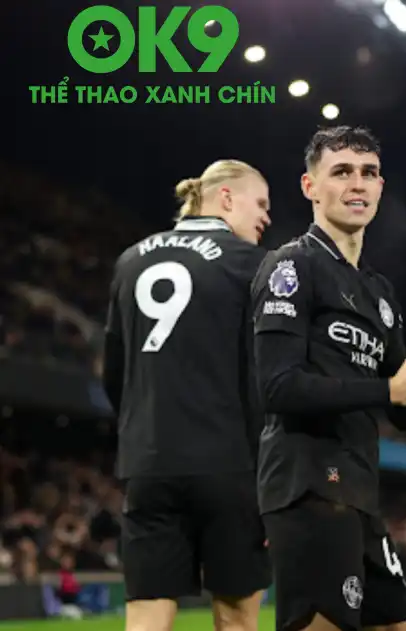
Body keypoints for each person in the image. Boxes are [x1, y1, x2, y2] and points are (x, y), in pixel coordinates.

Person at [251, 125, 406, 631]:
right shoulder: (292, 266)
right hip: (308, 487)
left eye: (368, 173)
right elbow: (278, 387)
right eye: (341, 172)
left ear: (381, 188)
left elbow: (404, 412)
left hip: (360, 495)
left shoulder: (379, 292)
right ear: (310, 186)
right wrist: (388, 388)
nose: (357, 184)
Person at [102, 160, 273, 631]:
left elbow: (114, 374)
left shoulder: (130, 260)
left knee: (145, 618)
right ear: (226, 198)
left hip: (148, 465)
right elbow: (263, 378)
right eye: (260, 204)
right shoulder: (252, 264)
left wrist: (141, 434)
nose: (266, 217)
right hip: (229, 467)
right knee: (236, 620)